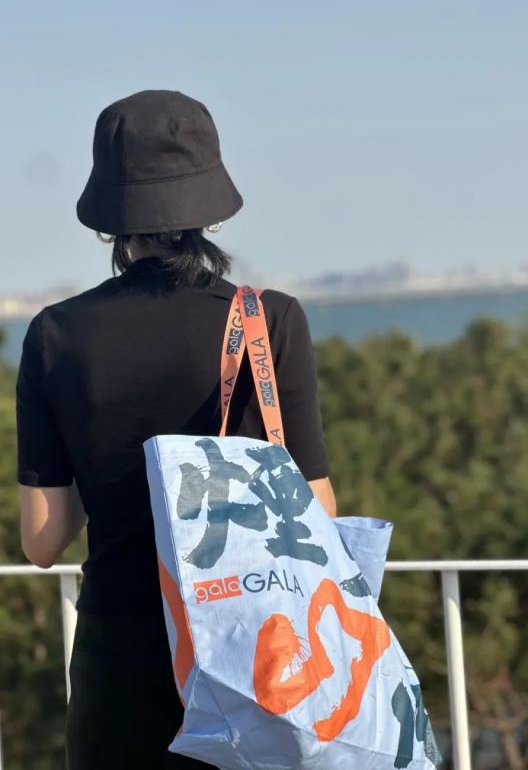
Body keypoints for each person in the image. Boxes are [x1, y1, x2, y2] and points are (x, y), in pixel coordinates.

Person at [16, 90, 336, 770]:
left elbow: (42, 541)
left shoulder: (55, 335)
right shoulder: (269, 319)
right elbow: (318, 512)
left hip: (119, 666)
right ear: (209, 205)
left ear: (109, 216)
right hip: (255, 655)